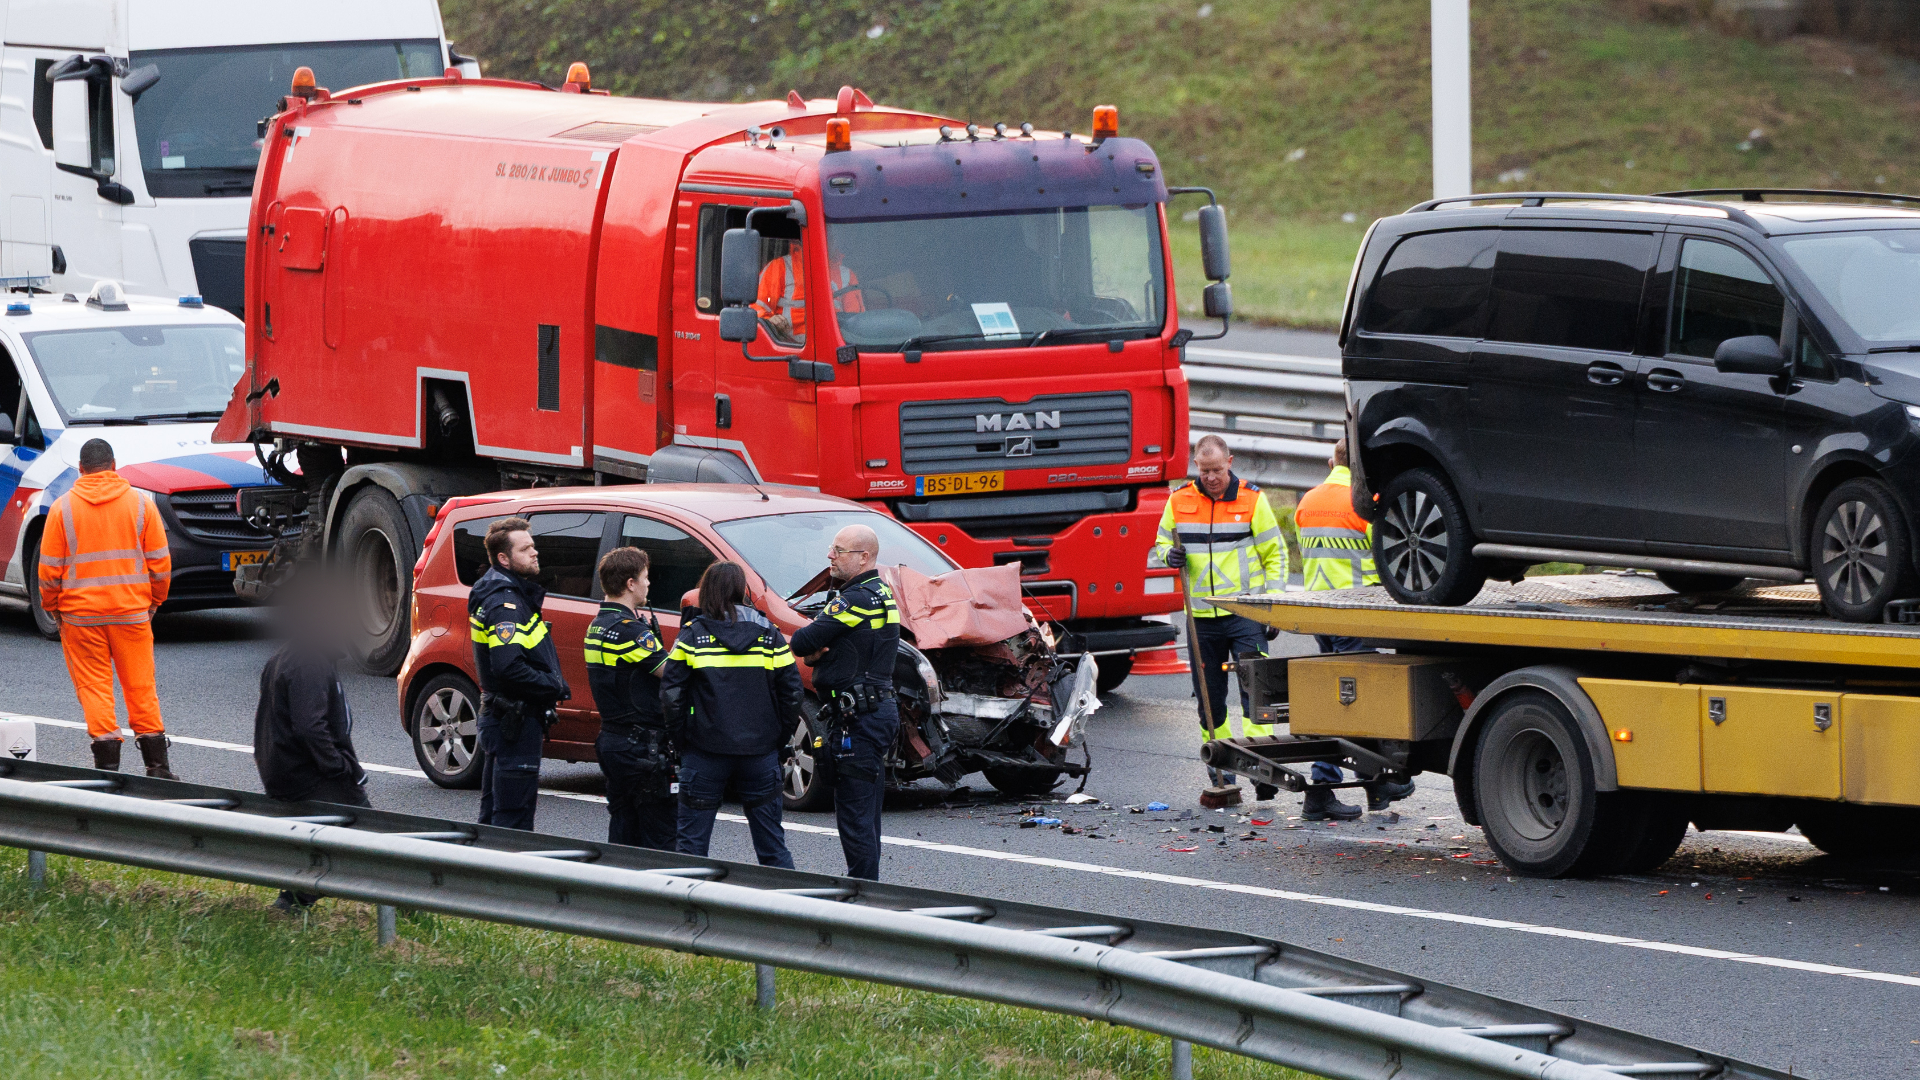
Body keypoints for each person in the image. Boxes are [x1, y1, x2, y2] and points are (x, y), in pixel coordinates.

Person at [1152, 435, 1289, 786]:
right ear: (1196, 466)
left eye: (1217, 469)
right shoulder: (1179, 500)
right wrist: (1169, 555)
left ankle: (1261, 767)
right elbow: (1160, 543)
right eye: (1205, 470)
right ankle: (1220, 765)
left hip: (1245, 613)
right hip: (1201, 616)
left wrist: (1272, 605)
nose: (1212, 477)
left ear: (1230, 462)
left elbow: (1275, 554)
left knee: (1256, 693)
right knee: (1209, 698)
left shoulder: (1252, 500)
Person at [37, 438, 177, 779]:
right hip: (131, 613)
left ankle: (107, 773)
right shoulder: (141, 505)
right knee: (140, 686)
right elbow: (160, 563)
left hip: (80, 617)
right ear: (114, 466)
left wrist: (52, 607)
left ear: (81, 470)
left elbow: (49, 571)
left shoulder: (62, 508)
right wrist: (154, 601)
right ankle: (157, 769)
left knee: (95, 687)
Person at [1293, 440, 1414, 821]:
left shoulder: (1307, 501)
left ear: (1332, 462)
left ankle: (1376, 784)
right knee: (1347, 708)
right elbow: (1384, 559)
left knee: (1348, 704)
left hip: (1321, 613)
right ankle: (1323, 790)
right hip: (1354, 612)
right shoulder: (1362, 503)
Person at [660, 561, 799, 868]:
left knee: (691, 847)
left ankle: (690, 915)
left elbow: (671, 694)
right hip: (760, 753)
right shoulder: (769, 634)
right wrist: (778, 737)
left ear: (706, 591)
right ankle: (788, 913)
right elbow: (792, 693)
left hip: (704, 751)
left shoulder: (692, 635)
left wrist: (682, 738)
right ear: (742, 590)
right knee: (773, 848)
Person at [251, 567, 367, 912]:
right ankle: (408, 906)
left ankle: (291, 902)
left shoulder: (289, 655)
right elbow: (309, 726)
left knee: (323, 841)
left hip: (286, 770)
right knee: (371, 838)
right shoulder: (309, 662)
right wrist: (338, 767)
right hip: (310, 774)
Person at [788, 523, 898, 880]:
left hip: (859, 717)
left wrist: (818, 655)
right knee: (866, 812)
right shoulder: (881, 591)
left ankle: (862, 895)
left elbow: (803, 641)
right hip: (872, 710)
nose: (830, 556)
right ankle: (868, 887)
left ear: (864, 557)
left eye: (839, 550)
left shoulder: (856, 598)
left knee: (854, 813)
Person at [469, 517, 569, 830]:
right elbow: (508, 666)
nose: (535, 553)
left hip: (505, 717)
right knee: (513, 823)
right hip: (515, 720)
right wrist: (551, 685)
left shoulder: (502, 591)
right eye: (526, 549)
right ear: (504, 558)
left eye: (533, 546)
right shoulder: (504, 601)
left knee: (494, 818)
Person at [584, 546, 676, 850]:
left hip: (612, 739)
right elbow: (671, 672)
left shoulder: (597, 626)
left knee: (623, 830)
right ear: (630, 584)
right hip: (640, 747)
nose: (649, 584)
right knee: (659, 836)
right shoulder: (629, 631)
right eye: (645, 577)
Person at [753, 243, 862, 342]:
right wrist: (770, 321)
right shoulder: (780, 266)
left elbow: (856, 321)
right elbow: (759, 306)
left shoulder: (847, 274)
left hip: (834, 346)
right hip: (790, 347)